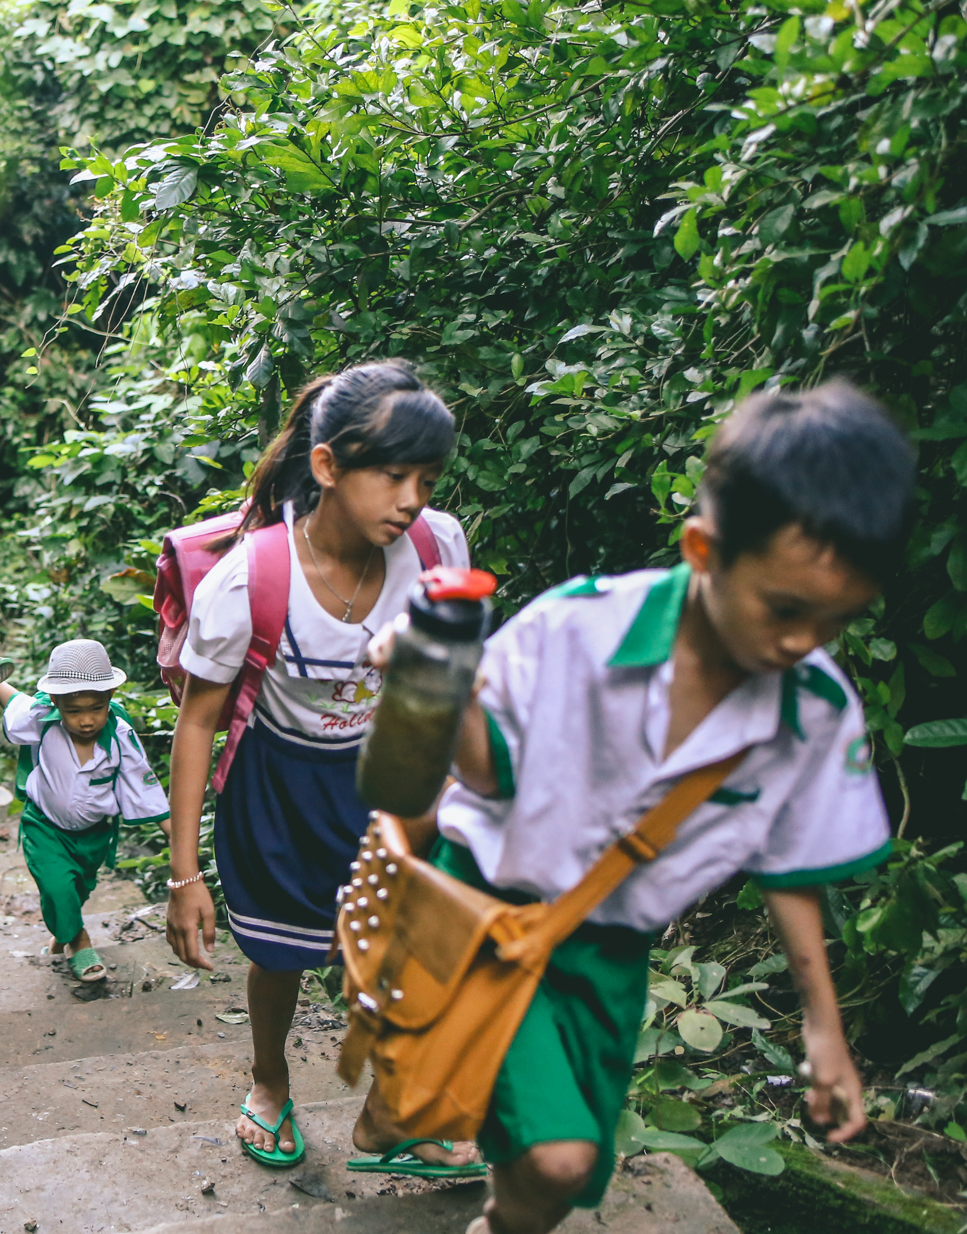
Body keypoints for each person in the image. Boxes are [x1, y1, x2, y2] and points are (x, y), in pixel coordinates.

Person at [391, 380, 906, 1234]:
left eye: (834, 621)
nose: (801, 642)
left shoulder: (814, 708)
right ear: (703, 549)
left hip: (608, 948)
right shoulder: (574, 632)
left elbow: (791, 863)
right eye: (784, 608)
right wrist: (433, 689)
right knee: (562, 1157)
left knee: (552, 1186)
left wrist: (825, 1029)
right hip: (485, 911)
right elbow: (482, 773)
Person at [164, 361, 476, 1172]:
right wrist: (183, 874)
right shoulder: (252, 578)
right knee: (280, 954)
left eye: (428, 478)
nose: (411, 498)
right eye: (394, 475)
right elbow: (198, 721)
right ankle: (269, 1082)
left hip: (392, 776)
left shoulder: (438, 545)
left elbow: (452, 670)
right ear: (330, 466)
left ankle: (398, 1111)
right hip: (281, 786)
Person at [0, 640, 168, 982]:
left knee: (76, 889)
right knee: (57, 887)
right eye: (74, 711)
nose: (88, 720)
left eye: (97, 708)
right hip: (44, 828)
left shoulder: (120, 734)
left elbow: (142, 782)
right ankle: (79, 942)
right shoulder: (42, 720)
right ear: (56, 702)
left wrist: (177, 836)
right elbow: (15, 702)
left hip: (94, 836)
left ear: (110, 698)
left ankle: (64, 932)